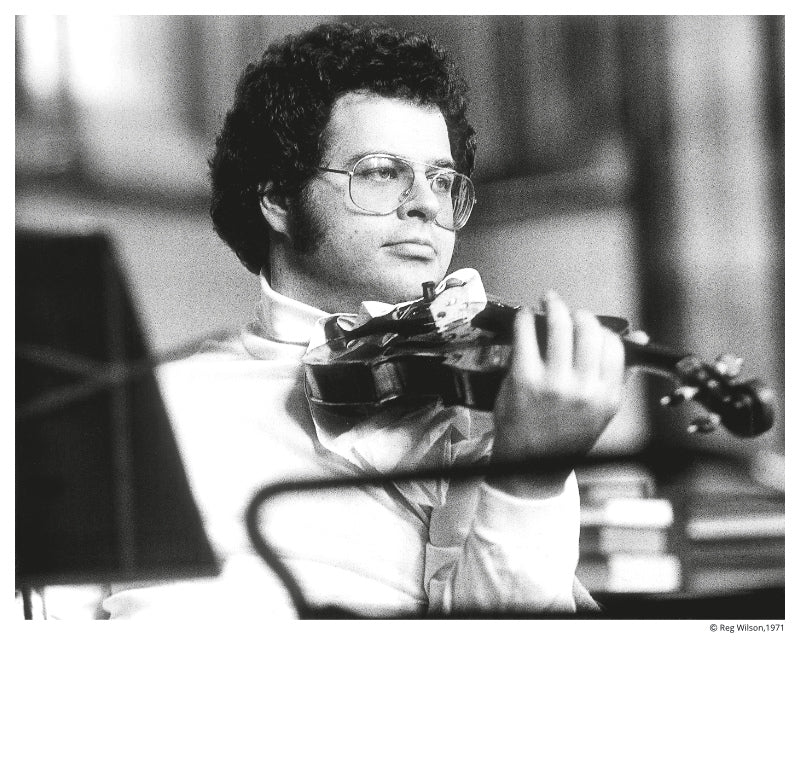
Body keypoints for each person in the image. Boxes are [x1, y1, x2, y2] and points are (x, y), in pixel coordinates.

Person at [103, 22, 625, 619]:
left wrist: (530, 478)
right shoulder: (150, 402)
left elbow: (498, 658)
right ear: (277, 198)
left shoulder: (490, 403)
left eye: (442, 178)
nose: (427, 204)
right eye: (381, 171)